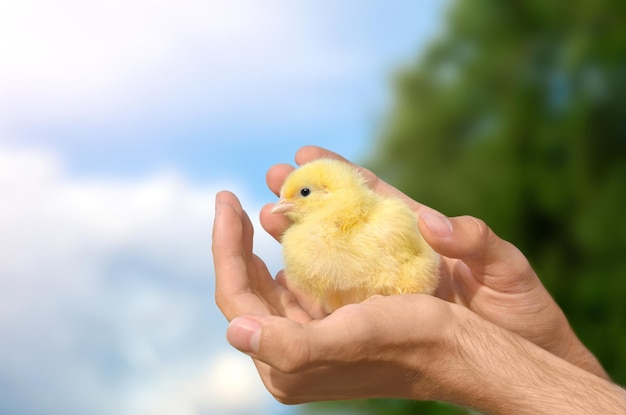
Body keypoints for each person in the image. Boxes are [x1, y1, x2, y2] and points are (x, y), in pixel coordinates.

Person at [212, 146, 626, 414]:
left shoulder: (385, 219)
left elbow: (413, 264)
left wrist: (466, 352)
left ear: (328, 192)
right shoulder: (309, 240)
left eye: (301, 194)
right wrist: (555, 359)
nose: (283, 205)